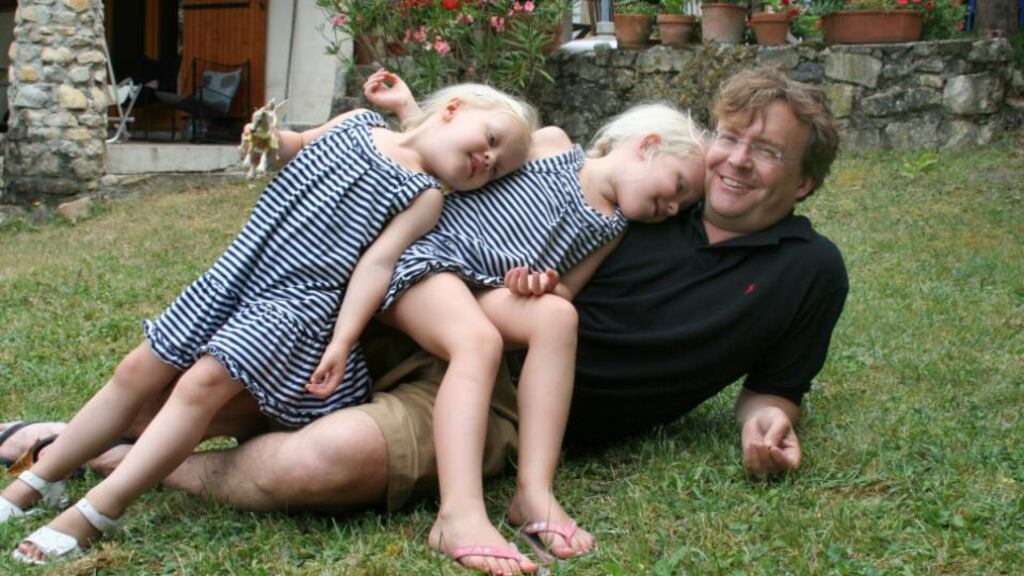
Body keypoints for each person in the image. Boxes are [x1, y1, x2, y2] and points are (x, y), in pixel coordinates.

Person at [5, 63, 847, 567]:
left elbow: (773, 387)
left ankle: (112, 458)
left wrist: (767, 423)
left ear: (804, 181)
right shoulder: (607, 170)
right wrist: (408, 113)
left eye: (767, 152)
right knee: (202, 387)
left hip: (498, 391)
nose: (735, 160)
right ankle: (75, 439)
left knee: (310, 465)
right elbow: (464, 154)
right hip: (414, 307)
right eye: (731, 137)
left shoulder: (802, 272)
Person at [0, 82, 537, 564]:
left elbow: (374, 268)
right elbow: (293, 149)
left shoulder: (423, 198)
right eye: (490, 140)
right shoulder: (356, 123)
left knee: (202, 384)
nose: (487, 159)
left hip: (295, 306)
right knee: (136, 371)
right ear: (453, 109)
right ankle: (37, 481)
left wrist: (342, 339)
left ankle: (100, 510)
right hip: (238, 272)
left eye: (497, 167)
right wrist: (267, 139)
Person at [325, 69, 706, 575]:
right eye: (678, 185)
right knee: (477, 339)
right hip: (426, 261)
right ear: (647, 145)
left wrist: (538, 287)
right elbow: (471, 154)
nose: (675, 206)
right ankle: (457, 514)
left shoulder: (613, 228)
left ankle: (533, 492)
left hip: (483, 288)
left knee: (557, 317)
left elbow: (566, 287)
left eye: (683, 206)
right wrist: (410, 111)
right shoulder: (550, 145)